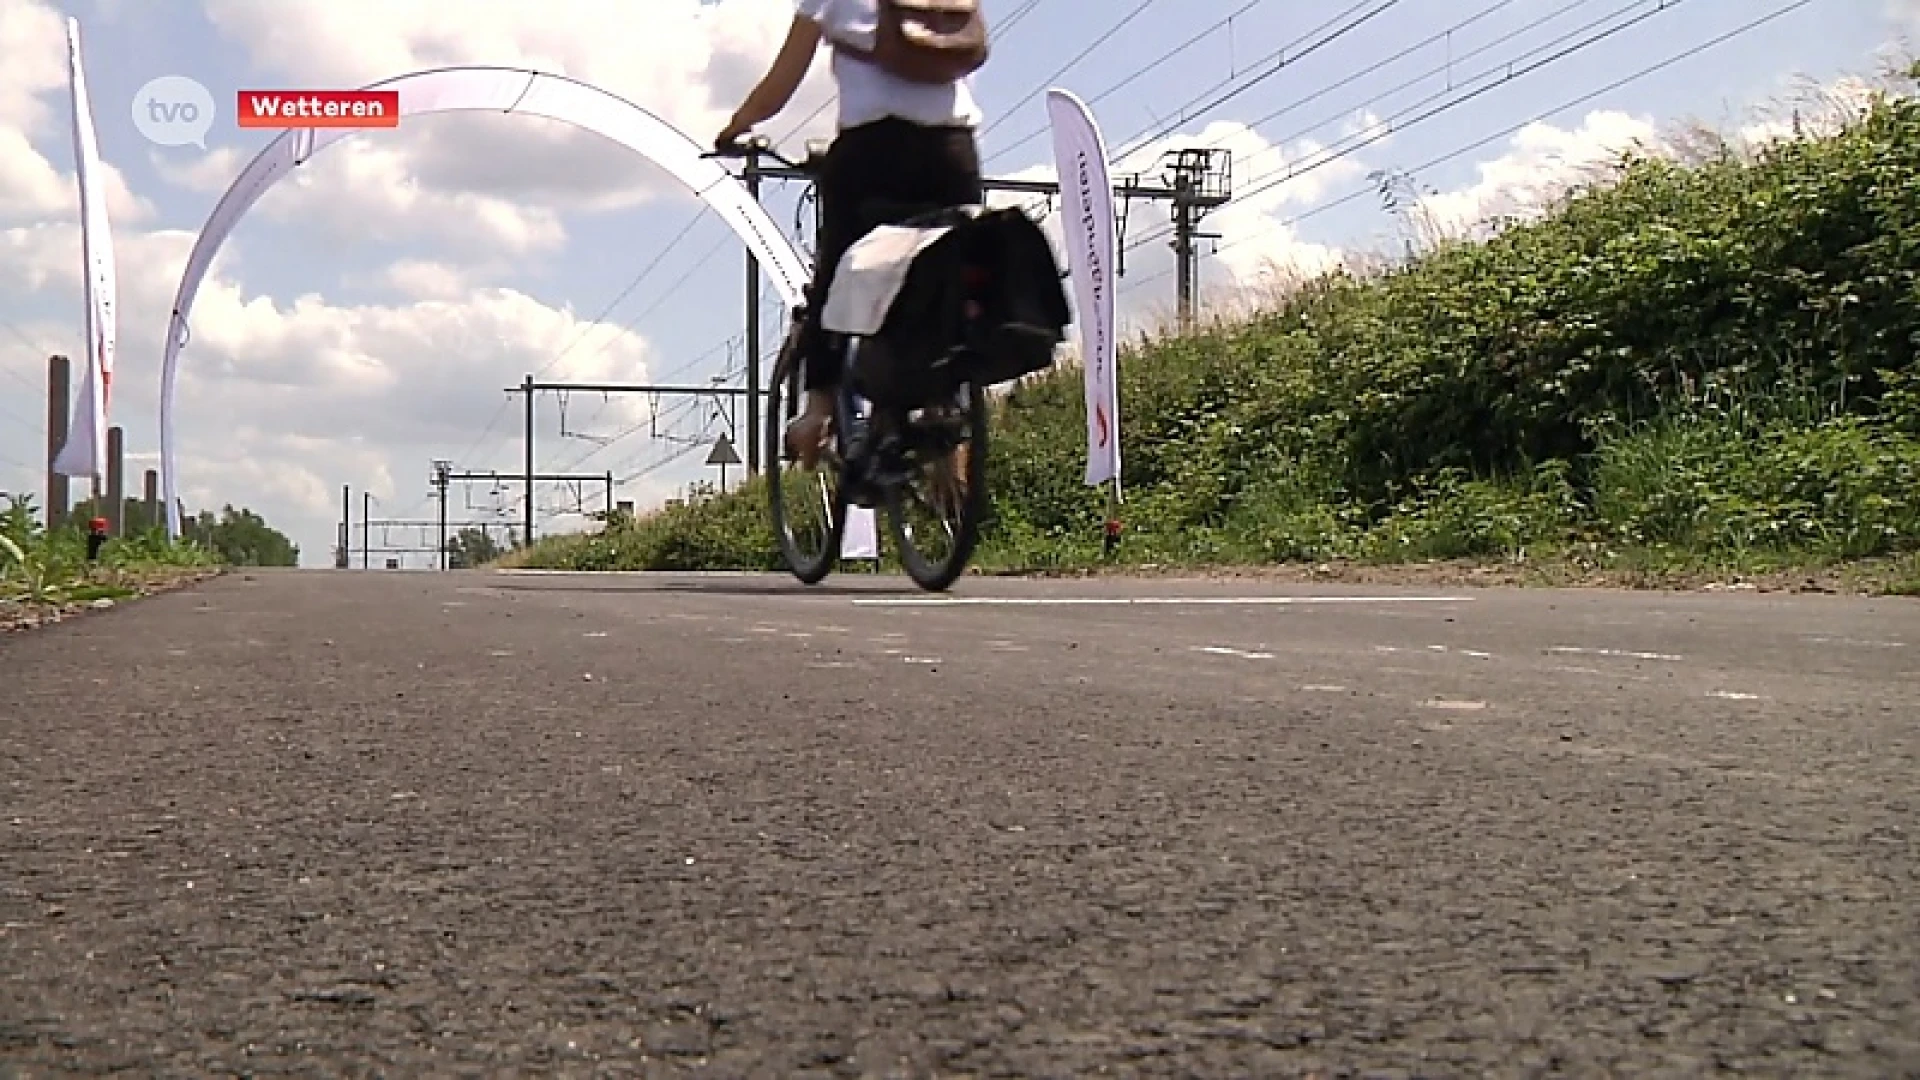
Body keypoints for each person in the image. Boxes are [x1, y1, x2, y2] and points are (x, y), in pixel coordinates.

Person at [716, 0, 986, 469]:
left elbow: (779, 87)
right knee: (944, 270)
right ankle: (945, 401)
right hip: (954, 155)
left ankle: (817, 412)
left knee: (836, 273)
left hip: (873, 153)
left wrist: (735, 128)